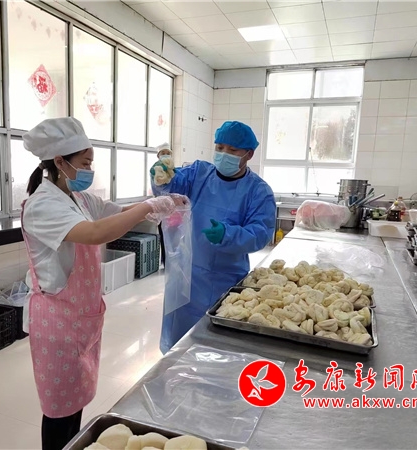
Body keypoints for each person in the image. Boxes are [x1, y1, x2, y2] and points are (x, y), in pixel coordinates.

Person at [21, 117, 180, 450]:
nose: (89, 170)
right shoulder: (42, 205)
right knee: (59, 411)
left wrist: (162, 203)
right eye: (85, 163)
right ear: (59, 161)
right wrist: (148, 207)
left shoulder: (79, 198)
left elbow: (115, 214)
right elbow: (94, 233)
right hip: (56, 320)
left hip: (81, 316)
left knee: (75, 401)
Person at [151, 121, 276, 354]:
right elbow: (172, 186)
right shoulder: (199, 173)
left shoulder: (258, 191)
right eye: (219, 148)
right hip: (186, 275)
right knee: (178, 345)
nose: (223, 154)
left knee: (216, 345)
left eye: (232, 150)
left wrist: (228, 234)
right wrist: (162, 176)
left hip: (225, 279)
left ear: (248, 154)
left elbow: (260, 234)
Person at [154, 142, 174, 266]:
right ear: (158, 155)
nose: (166, 155)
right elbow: (158, 188)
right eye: (163, 153)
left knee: (174, 237)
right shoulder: (155, 170)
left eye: (168, 153)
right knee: (164, 237)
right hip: (162, 209)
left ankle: (172, 262)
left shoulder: (173, 169)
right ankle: (166, 262)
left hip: (173, 210)